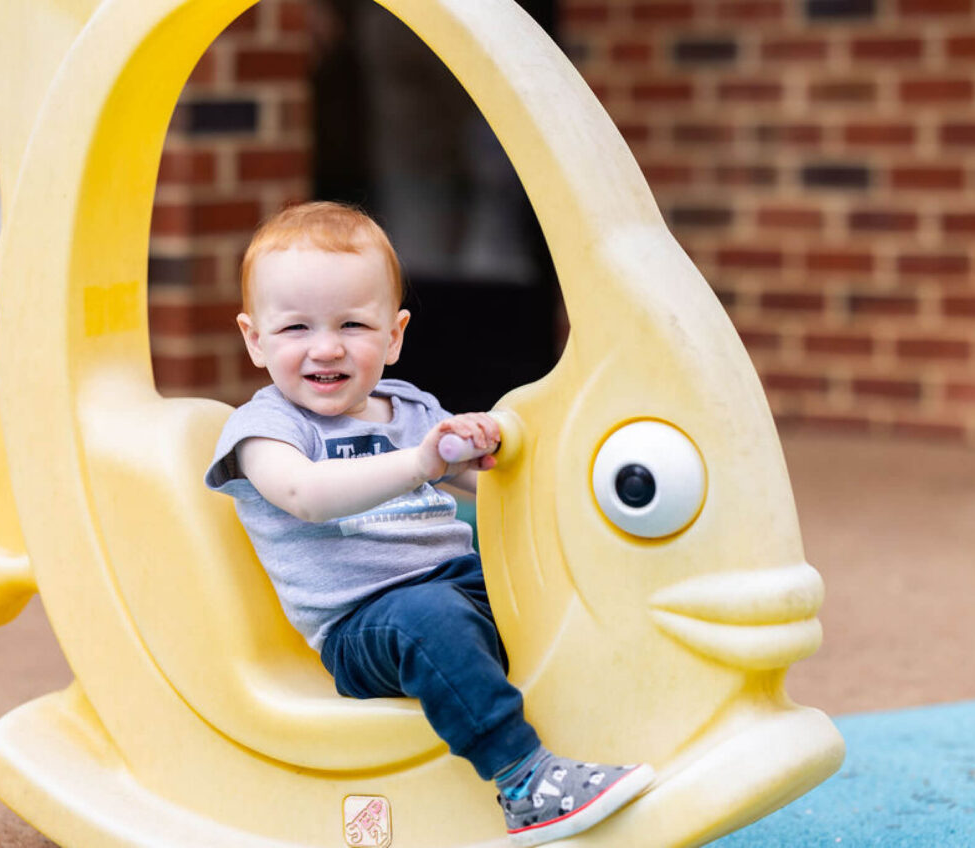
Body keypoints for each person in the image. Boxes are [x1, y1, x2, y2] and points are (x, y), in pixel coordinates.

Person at [205, 201, 654, 846]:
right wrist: (417, 462)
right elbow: (304, 495)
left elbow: (477, 476)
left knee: (552, 583)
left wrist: (486, 445)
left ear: (394, 335)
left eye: (353, 324)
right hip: (365, 623)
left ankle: (623, 719)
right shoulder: (266, 428)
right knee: (431, 622)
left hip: (456, 580)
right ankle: (525, 781)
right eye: (296, 328)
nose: (326, 347)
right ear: (254, 339)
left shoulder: (410, 407)